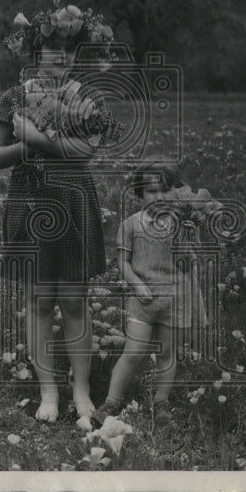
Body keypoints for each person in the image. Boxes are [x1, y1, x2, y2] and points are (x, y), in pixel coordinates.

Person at [0, 4, 117, 422]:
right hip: (30, 204)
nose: (61, 58)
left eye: (69, 51)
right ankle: (48, 392)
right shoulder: (13, 98)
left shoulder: (87, 99)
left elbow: (87, 152)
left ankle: (80, 391)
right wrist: (25, 143)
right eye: (52, 50)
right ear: (36, 54)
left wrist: (39, 138)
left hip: (73, 202)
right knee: (40, 302)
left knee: (75, 303)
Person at [92, 161, 209, 427]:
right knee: (133, 352)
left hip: (176, 298)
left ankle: (161, 403)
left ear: (178, 193)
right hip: (143, 299)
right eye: (151, 191)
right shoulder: (131, 225)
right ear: (140, 194)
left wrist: (188, 240)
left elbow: (191, 263)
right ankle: (112, 401)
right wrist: (135, 283)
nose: (158, 197)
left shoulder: (184, 224)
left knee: (167, 353)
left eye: (165, 190)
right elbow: (123, 262)